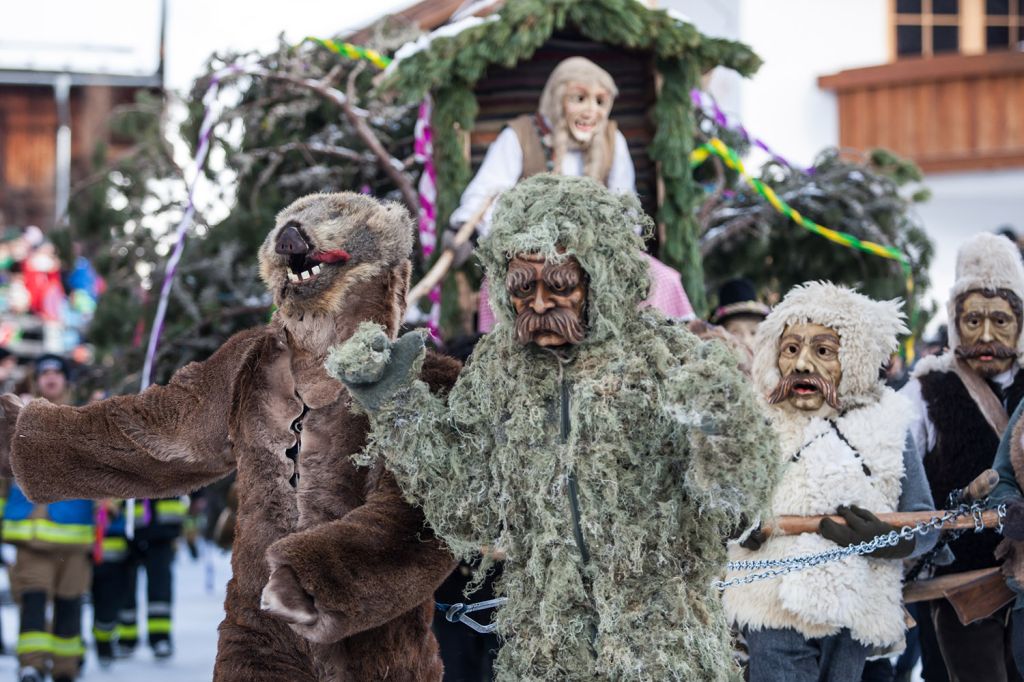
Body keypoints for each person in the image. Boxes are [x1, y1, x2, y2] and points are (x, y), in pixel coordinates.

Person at [312, 174, 779, 680]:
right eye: (522, 286)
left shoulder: (666, 361)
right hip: (549, 648)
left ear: (600, 277)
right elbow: (470, 508)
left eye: (559, 285)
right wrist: (397, 406)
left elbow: (736, 511)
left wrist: (723, 433)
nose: (538, 305)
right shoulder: (498, 371)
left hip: (661, 645)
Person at [723, 282, 939, 682]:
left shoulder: (889, 425)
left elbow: (925, 520)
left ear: (854, 357)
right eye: (791, 350)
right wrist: (739, 524)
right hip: (770, 603)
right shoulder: (755, 421)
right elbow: (720, 500)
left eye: (823, 351)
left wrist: (888, 538)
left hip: (853, 608)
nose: (803, 364)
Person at [445, 56, 693, 330]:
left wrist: (618, 244)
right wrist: (464, 227)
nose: (591, 111)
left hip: (599, 253)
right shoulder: (521, 135)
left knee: (662, 280)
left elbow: (627, 206)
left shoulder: (613, 140)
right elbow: (488, 192)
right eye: (579, 98)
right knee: (505, 286)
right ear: (556, 97)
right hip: (534, 255)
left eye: (600, 102)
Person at [901, 232, 1024, 682]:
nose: (986, 335)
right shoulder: (926, 390)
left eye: (1000, 319)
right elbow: (893, 466)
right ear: (955, 321)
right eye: (973, 321)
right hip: (957, 589)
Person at [3, 354, 93, 682]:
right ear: (36, 379)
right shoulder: (15, 419)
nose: (51, 377)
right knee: (33, 600)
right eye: (44, 372)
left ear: (67, 380)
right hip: (29, 536)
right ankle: (32, 665)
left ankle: (66, 669)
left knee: (70, 603)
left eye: (57, 372)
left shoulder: (84, 420)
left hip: (74, 533)